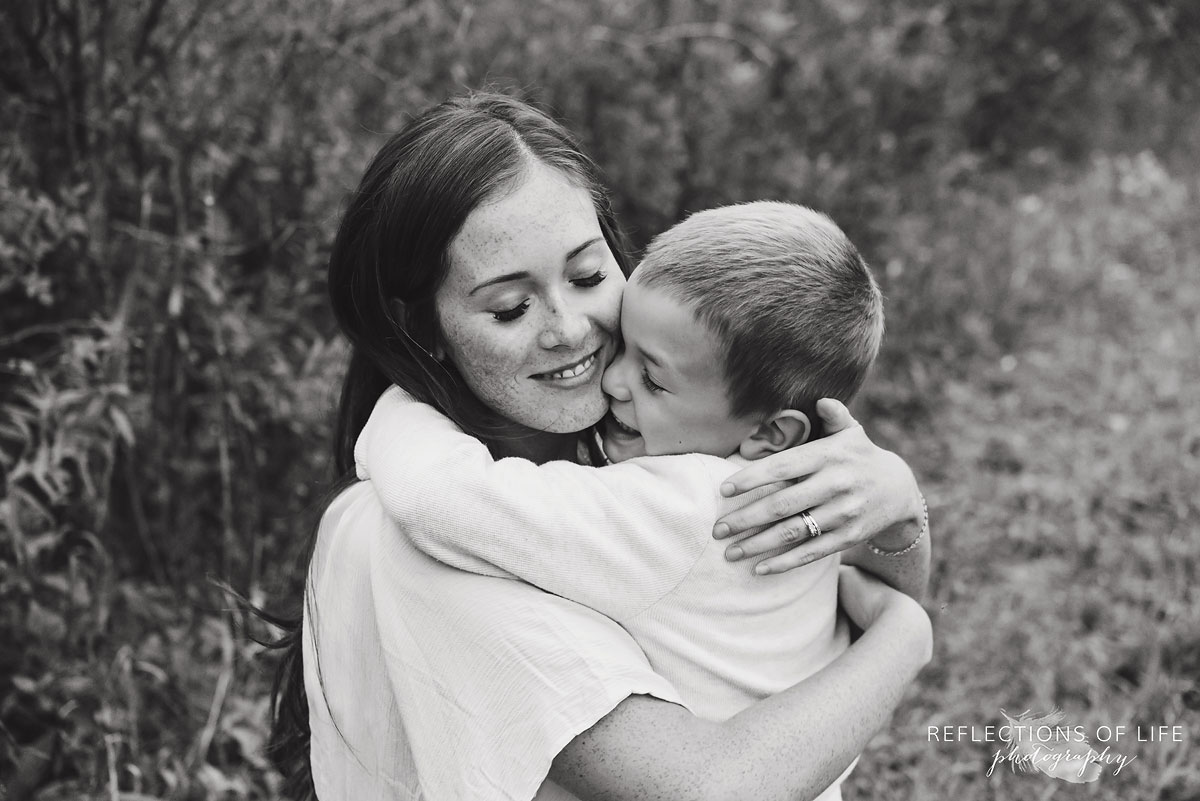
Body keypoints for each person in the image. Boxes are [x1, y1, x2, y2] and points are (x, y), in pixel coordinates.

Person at [268, 91, 933, 801]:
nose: (572, 329)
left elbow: (851, 587)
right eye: (510, 307)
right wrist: (906, 636)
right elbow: (711, 786)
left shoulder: (646, 449)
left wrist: (893, 502)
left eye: (588, 275)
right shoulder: (421, 537)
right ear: (422, 328)